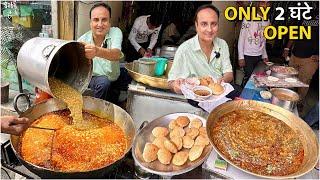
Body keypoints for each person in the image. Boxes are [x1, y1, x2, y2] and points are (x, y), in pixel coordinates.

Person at [168, 4, 233, 94]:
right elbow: (171, 82)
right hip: (195, 97)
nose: (209, 30)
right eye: (204, 24)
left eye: (213, 24)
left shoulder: (223, 44)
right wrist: (176, 86)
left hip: (220, 95)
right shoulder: (184, 49)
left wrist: (221, 81)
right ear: (196, 25)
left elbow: (229, 73)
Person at [78, 3, 130, 104]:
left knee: (126, 74)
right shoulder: (82, 40)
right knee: (103, 82)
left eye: (104, 20)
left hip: (113, 77)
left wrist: (96, 51)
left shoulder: (115, 32)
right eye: (96, 20)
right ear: (90, 23)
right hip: (95, 78)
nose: (100, 24)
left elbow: (116, 54)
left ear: (109, 23)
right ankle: (97, 111)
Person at [238, 1, 270, 87]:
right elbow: (241, 38)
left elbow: (263, 40)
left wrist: (264, 55)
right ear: (258, 4)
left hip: (259, 55)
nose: (265, 5)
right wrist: (241, 57)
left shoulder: (267, 20)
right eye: (263, 2)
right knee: (249, 79)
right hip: (247, 55)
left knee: (258, 79)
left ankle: (252, 98)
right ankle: (242, 97)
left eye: (268, 3)